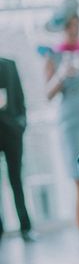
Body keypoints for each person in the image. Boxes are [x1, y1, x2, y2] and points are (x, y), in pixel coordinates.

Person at [44, 0, 79, 249]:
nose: (74, 30)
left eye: (77, 25)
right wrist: (61, 75)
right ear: (64, 28)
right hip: (71, 124)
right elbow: (47, 93)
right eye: (70, 26)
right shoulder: (54, 57)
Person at [0, 58, 33, 241]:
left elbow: (20, 96)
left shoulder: (10, 64)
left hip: (12, 132)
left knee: (17, 180)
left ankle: (26, 228)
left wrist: (21, 124)